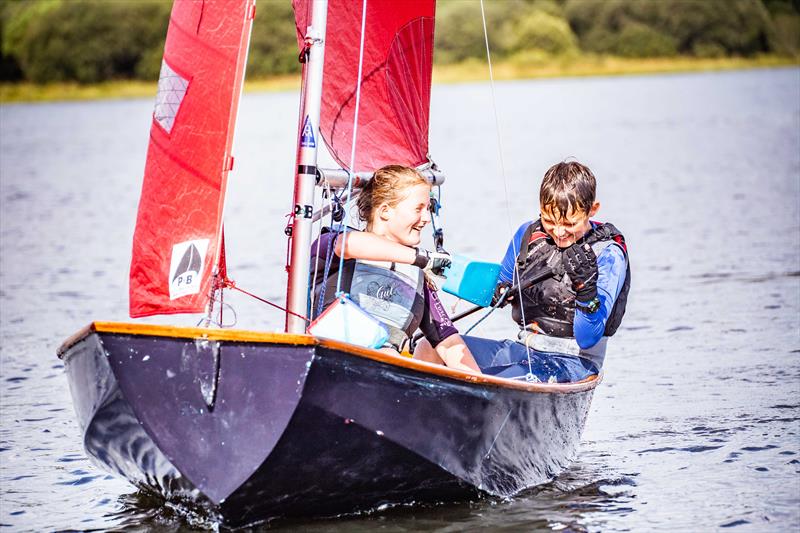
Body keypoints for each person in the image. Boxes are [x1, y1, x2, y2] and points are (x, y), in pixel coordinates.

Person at [310, 165, 482, 374]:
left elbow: (448, 340)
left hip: (385, 379)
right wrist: (423, 258)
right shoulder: (333, 245)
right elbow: (347, 245)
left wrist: (490, 394)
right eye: (418, 209)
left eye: (428, 209)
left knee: (436, 347)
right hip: (328, 366)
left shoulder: (418, 276)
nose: (427, 218)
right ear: (385, 211)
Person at [465, 160, 630, 377]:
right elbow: (499, 282)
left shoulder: (608, 255)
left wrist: (586, 290)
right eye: (549, 220)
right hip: (523, 350)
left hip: (574, 362)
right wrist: (498, 291)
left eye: (570, 224)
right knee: (435, 348)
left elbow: (587, 338)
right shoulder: (528, 233)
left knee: (505, 375)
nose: (559, 232)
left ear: (592, 210)